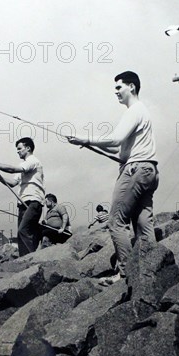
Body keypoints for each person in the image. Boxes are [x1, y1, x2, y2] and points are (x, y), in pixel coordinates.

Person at [68, 71, 158, 285]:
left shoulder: (134, 110)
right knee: (144, 224)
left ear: (132, 87)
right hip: (150, 170)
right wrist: (91, 145)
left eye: (119, 87)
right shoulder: (143, 111)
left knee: (116, 222)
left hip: (135, 171)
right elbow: (124, 151)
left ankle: (126, 275)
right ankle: (153, 270)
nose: (115, 91)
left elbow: (116, 139)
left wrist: (85, 138)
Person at [0, 137, 44, 256]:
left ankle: (32, 258)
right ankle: (23, 259)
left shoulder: (33, 161)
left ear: (28, 148)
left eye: (19, 148)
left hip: (33, 202)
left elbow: (11, 170)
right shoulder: (24, 166)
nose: (18, 151)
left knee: (24, 230)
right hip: (23, 203)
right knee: (20, 234)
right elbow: (12, 182)